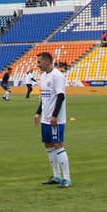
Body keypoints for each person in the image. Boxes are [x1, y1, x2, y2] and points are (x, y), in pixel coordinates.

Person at [35, 51, 71, 187]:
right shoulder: (43, 76)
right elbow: (44, 98)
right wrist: (38, 113)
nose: (37, 65)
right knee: (48, 145)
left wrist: (55, 115)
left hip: (56, 119)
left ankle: (67, 178)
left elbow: (60, 96)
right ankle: (56, 175)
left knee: (58, 144)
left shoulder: (57, 76)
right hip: (46, 118)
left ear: (47, 61)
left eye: (39, 62)